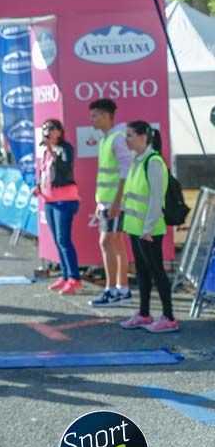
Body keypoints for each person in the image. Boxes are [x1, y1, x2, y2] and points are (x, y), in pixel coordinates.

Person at [119, 122, 179, 333]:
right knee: (143, 273)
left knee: (157, 272)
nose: (126, 140)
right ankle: (144, 314)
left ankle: (169, 317)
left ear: (143, 137)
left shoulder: (153, 162)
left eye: (129, 135)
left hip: (149, 231)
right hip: (136, 228)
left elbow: (155, 199)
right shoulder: (138, 160)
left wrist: (148, 228)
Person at [88, 98, 133, 307]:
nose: (92, 119)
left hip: (116, 203)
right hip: (109, 202)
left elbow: (126, 170)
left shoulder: (116, 138)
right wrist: (101, 202)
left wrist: (116, 202)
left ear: (106, 116)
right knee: (116, 244)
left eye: (95, 115)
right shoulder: (107, 139)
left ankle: (112, 290)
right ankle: (122, 289)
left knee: (106, 243)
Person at [34, 119, 82, 294]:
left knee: (64, 240)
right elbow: (46, 175)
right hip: (50, 201)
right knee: (58, 241)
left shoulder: (64, 148)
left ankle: (74, 278)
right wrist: (38, 187)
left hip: (65, 200)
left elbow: (64, 168)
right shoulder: (46, 153)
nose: (47, 131)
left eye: (52, 128)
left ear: (60, 132)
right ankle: (64, 275)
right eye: (45, 128)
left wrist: (51, 150)